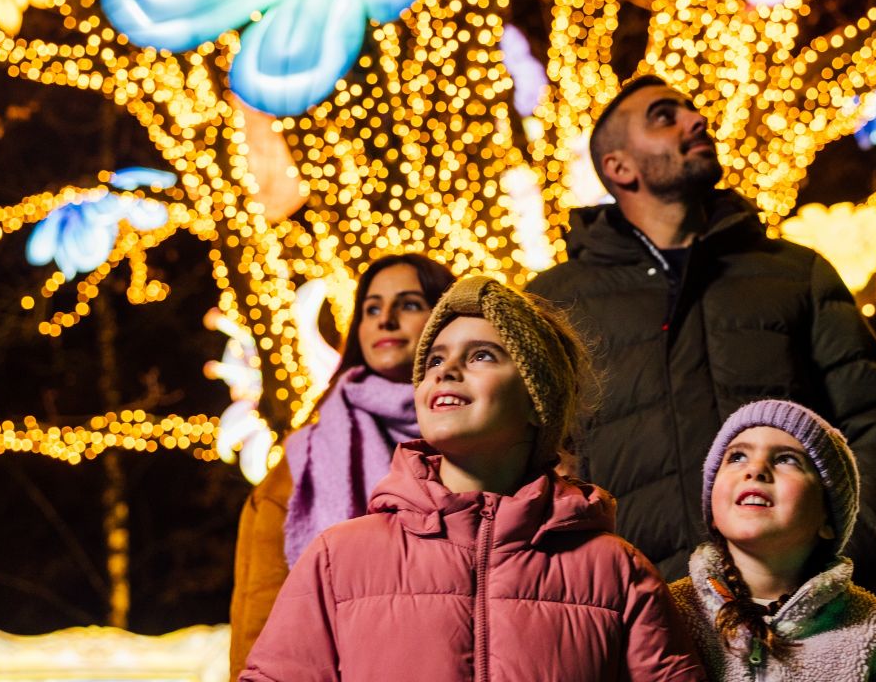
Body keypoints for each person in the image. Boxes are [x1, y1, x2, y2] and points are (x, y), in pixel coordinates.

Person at [527, 75, 876, 586]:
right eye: (664, 117)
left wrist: (842, 565)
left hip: (792, 619)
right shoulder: (554, 301)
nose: (696, 121)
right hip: (632, 622)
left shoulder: (796, 274)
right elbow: (525, 463)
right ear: (618, 167)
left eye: (691, 111)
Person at [241, 276, 706, 682]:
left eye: (482, 355)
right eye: (435, 361)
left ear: (536, 401)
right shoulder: (338, 557)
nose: (447, 371)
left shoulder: (616, 570)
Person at [228, 254, 455, 680]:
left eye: (407, 304)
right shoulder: (305, 463)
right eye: (371, 308)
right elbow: (263, 620)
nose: (384, 320)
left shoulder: (483, 443)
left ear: (446, 319)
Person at [669, 400, 876, 681]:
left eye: (786, 459)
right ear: (713, 512)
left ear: (828, 519)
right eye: (737, 457)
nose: (756, 469)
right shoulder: (667, 610)